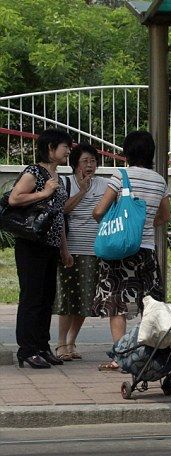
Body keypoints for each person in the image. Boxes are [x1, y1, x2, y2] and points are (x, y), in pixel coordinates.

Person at [92, 130, 171, 371]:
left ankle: (120, 356)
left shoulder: (120, 175)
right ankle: (149, 353)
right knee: (149, 302)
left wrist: (113, 222)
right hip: (145, 248)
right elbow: (165, 216)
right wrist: (144, 225)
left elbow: (99, 211)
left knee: (117, 301)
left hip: (119, 251)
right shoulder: (159, 180)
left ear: (127, 152)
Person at [10, 128, 73, 369]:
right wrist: (44, 192)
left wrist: (64, 249)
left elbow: (59, 218)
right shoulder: (33, 173)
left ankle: (42, 346)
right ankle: (26, 349)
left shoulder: (59, 176)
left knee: (47, 298)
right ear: (50, 148)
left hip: (51, 246)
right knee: (32, 297)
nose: (68, 151)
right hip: (30, 244)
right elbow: (15, 198)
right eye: (64, 146)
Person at [54, 143, 109, 362]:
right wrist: (83, 192)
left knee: (86, 299)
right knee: (67, 298)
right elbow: (62, 210)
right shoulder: (65, 183)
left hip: (95, 249)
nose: (90, 165)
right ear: (75, 164)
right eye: (85, 161)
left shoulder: (104, 184)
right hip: (71, 247)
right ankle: (59, 343)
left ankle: (71, 342)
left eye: (93, 161)